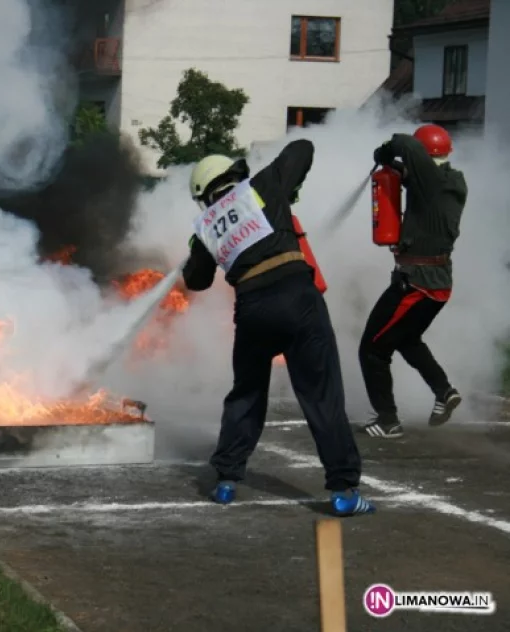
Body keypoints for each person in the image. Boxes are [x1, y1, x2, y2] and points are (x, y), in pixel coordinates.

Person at [183, 142, 376, 517]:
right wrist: (284, 184)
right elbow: (303, 148)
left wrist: (196, 253)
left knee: (247, 393)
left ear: (204, 193)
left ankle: (225, 480)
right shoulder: (261, 186)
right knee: (322, 393)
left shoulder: (206, 226)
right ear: (233, 174)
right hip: (297, 297)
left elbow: (197, 280)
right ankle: (344, 490)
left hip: (252, 309)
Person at [359, 124, 467, 439]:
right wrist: (395, 166)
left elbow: (405, 143)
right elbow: (414, 175)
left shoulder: (429, 181)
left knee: (373, 348)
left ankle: (388, 420)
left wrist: (385, 151)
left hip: (416, 283)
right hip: (437, 284)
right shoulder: (452, 181)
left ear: (423, 154)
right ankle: (444, 391)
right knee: (405, 340)